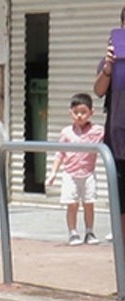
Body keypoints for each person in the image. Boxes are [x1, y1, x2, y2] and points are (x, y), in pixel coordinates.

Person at [50, 92, 105, 245]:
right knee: (72, 204)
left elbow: (109, 141)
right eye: (76, 112)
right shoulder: (66, 132)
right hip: (70, 174)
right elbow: (59, 154)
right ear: (70, 113)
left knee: (89, 203)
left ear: (91, 113)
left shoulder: (98, 131)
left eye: (83, 112)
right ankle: (73, 232)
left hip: (88, 174)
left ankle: (89, 231)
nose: (79, 116)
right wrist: (53, 173)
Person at [94, 14, 125, 238]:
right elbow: (98, 91)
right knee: (122, 207)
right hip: (118, 142)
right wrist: (108, 66)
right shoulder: (111, 63)